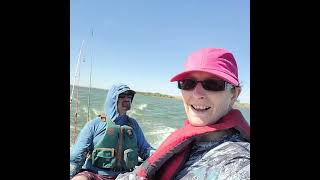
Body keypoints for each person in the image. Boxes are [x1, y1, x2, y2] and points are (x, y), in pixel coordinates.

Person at [116, 48, 250, 180]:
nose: (197, 94)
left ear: (234, 94)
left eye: (213, 84)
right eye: (188, 83)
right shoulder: (190, 141)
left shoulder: (239, 163)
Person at [70, 83, 155, 180]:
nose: (127, 99)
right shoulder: (94, 124)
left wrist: (160, 155)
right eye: (122, 96)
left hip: (124, 176)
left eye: (129, 96)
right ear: (113, 100)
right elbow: (77, 156)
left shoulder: (133, 125)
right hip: (94, 174)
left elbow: (145, 150)